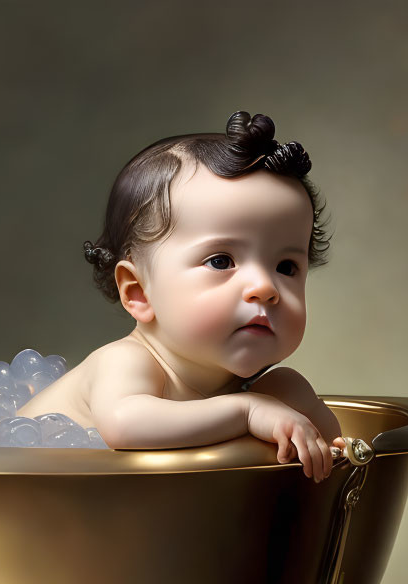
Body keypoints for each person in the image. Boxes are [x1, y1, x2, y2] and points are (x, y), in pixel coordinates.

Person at [18, 111, 345, 480]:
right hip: (13, 496)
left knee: (288, 388)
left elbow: (345, 461)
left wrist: (319, 435)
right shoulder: (127, 362)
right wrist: (248, 411)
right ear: (138, 291)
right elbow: (124, 425)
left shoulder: (275, 389)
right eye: (221, 261)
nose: (266, 288)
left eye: (286, 267)